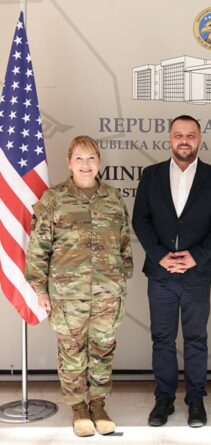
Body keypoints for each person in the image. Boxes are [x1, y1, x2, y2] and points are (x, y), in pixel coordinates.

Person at [25, 135, 133, 437]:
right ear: (69, 163)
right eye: (79, 159)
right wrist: (40, 289)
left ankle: (98, 405)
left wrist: (121, 277)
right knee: (72, 352)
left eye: (91, 158)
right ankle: (79, 409)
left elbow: (124, 242)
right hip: (67, 295)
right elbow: (39, 247)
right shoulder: (54, 199)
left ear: (99, 161)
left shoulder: (113, 198)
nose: (86, 165)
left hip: (107, 293)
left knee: (103, 350)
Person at [132, 115, 211, 428]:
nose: (184, 140)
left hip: (196, 275)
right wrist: (161, 256)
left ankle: (196, 399)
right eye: (179, 135)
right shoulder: (151, 175)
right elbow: (140, 220)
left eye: (190, 135)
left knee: (196, 338)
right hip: (160, 274)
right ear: (170, 139)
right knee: (162, 339)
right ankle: (164, 399)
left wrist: (196, 257)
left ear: (199, 140)